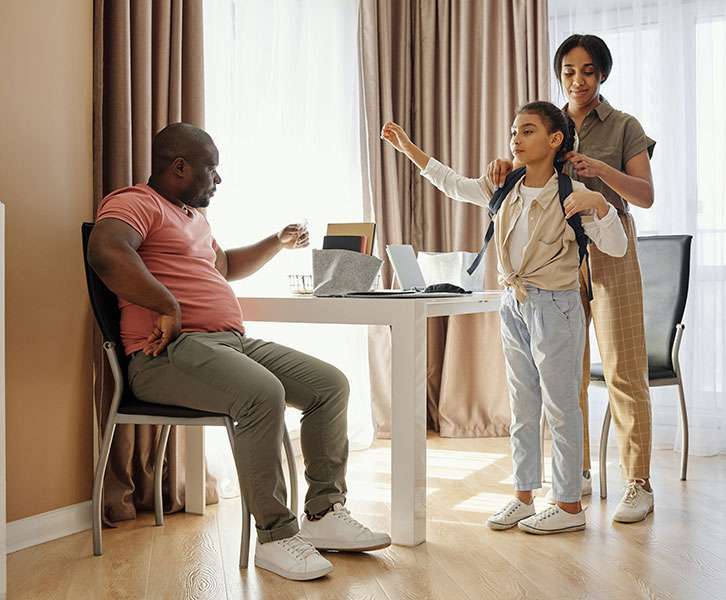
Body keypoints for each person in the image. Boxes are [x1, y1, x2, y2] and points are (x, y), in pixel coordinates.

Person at [87, 122, 390, 581]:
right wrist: (165, 304)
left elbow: (223, 266)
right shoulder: (134, 202)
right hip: (165, 354)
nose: (218, 180)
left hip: (229, 344)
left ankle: (325, 514)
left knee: (330, 385)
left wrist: (276, 242)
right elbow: (106, 252)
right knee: (261, 394)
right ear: (179, 166)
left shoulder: (192, 218)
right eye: (212, 169)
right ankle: (276, 536)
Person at [381, 101, 627, 535]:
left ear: (554, 140)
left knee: (561, 405)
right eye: (514, 130)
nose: (516, 138)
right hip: (513, 303)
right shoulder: (504, 188)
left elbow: (618, 247)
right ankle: (524, 495)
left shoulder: (572, 192)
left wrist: (600, 205)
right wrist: (409, 150)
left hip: (556, 305)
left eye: (528, 131)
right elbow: (453, 184)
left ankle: (569, 505)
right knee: (523, 404)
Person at [487, 34, 657, 523]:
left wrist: (601, 170)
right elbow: (521, 181)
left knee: (624, 369)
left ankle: (637, 483)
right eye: (568, 71)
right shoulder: (547, 124)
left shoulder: (624, 126)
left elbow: (644, 195)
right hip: (554, 259)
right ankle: (574, 475)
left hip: (609, 250)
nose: (577, 80)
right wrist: (504, 165)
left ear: (601, 74)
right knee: (565, 374)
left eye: (586, 71)